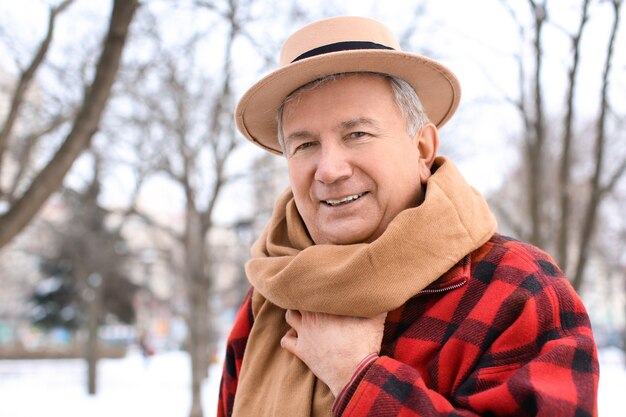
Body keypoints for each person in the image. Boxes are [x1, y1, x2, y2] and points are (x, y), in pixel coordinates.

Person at [218, 16, 599, 417]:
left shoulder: (517, 290)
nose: (329, 169)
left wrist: (357, 378)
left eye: (357, 134)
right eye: (305, 145)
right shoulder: (270, 297)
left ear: (422, 150)